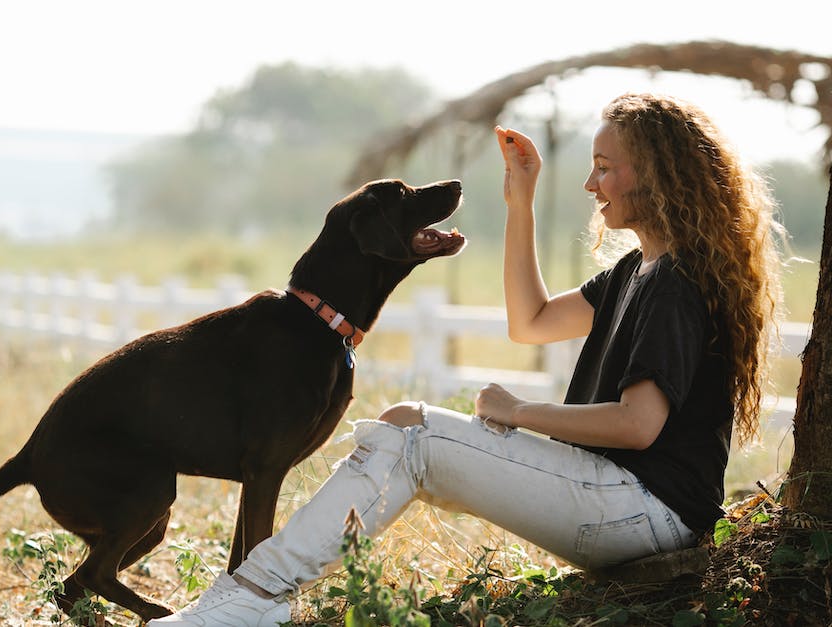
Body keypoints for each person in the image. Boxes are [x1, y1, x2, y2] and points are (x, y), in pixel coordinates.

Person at [147, 92, 785, 626]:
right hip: (620, 502)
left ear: (659, 174)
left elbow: (638, 424)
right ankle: (247, 597)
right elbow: (529, 321)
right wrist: (521, 205)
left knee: (413, 434)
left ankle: (248, 601)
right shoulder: (636, 270)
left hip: (645, 512)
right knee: (407, 428)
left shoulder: (675, 282)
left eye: (605, 167)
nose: (592, 183)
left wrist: (519, 411)